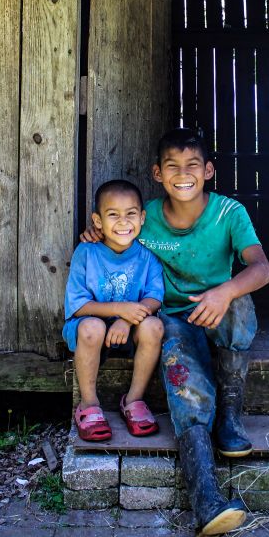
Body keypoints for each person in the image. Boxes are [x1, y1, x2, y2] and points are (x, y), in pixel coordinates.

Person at [83, 129, 269, 537]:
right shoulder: (144, 216)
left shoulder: (228, 213)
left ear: (208, 171)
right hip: (170, 317)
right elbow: (116, 233)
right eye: (173, 166)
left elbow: (262, 269)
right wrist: (96, 235)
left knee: (240, 305)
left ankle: (230, 418)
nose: (183, 174)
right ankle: (208, 502)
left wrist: (224, 291)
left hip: (215, 311)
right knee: (186, 384)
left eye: (192, 166)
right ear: (158, 173)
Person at [65, 179, 165, 442]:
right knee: (92, 327)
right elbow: (78, 306)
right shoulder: (86, 252)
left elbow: (154, 297)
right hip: (90, 330)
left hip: (130, 329)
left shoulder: (148, 254)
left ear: (142, 218)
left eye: (130, 213)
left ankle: (133, 401)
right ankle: (89, 404)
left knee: (154, 326)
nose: (123, 222)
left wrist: (126, 320)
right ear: (97, 221)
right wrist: (121, 309)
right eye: (113, 215)